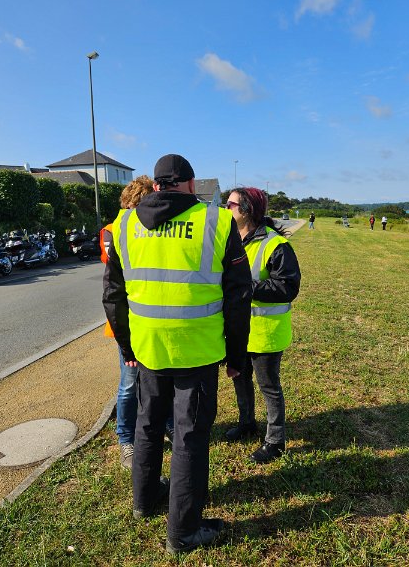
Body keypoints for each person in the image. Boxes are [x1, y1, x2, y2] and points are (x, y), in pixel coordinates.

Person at [103, 154, 252, 554]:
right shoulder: (216, 221)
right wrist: (237, 356)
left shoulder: (124, 224)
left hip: (148, 348)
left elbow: (113, 294)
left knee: (148, 424)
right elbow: (239, 296)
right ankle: (183, 533)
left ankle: (145, 500)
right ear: (190, 184)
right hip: (196, 350)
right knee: (189, 436)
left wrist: (126, 346)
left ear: (156, 186)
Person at [225, 187, 301, 463]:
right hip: (238, 331)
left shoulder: (275, 244)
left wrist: (247, 286)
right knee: (240, 379)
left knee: (269, 387)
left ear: (247, 210)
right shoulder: (230, 240)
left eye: (230, 204)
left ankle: (275, 441)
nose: (225, 209)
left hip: (266, 332)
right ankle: (247, 423)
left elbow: (288, 287)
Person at [101, 175, 170, 470]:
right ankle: (126, 439)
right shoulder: (113, 230)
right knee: (129, 383)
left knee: (160, 378)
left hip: (154, 319)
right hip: (128, 323)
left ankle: (166, 424)